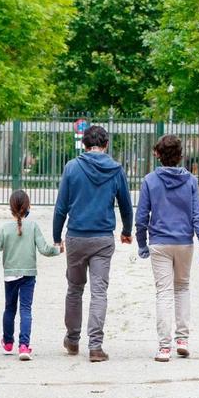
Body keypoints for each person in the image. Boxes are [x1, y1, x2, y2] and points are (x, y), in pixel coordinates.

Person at [53, 125, 133, 362]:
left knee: (74, 289)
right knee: (99, 292)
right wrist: (127, 231)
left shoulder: (72, 167)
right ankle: (96, 346)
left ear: (84, 145)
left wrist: (57, 236)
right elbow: (126, 206)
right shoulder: (116, 170)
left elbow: (61, 207)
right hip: (102, 239)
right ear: (106, 145)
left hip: (76, 237)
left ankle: (73, 339)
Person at [135, 135, 199, 362]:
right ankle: (182, 340)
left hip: (159, 242)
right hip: (184, 242)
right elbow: (196, 214)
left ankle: (163, 347)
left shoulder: (150, 180)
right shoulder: (190, 181)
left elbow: (141, 217)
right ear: (180, 155)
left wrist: (142, 244)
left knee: (164, 293)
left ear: (158, 154)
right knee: (182, 288)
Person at [0, 190, 60, 361]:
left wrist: (3, 248)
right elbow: (44, 249)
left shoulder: (4, 229)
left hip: (10, 276)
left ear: (10, 208)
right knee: (26, 309)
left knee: (10, 308)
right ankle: (24, 345)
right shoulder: (33, 226)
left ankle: (7, 343)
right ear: (28, 207)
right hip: (28, 275)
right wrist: (58, 249)